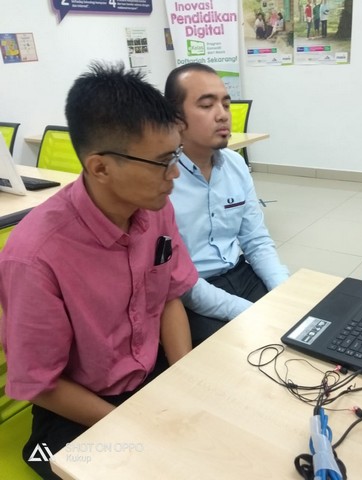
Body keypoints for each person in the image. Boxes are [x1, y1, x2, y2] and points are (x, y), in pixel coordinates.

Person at [0, 62, 198, 479]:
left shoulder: (154, 208)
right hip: (76, 408)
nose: (176, 173)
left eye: (176, 154)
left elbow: (168, 298)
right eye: (163, 161)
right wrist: (130, 427)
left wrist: (184, 380)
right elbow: (41, 385)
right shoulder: (35, 257)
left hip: (150, 375)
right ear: (100, 168)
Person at [164, 63, 289, 347]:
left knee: (297, 330)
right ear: (176, 118)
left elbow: (256, 241)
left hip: (241, 272)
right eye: (207, 105)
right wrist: (249, 312)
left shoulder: (235, 164)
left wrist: (283, 290)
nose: (223, 114)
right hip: (190, 294)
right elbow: (177, 278)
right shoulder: (162, 179)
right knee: (252, 351)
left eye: (226, 104)